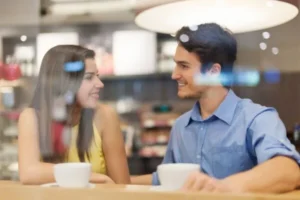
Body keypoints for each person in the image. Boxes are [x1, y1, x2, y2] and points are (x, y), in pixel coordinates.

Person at [131, 23, 300, 193]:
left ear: (213, 71)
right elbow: (164, 179)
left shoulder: (257, 119)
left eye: (184, 66)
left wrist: (222, 188)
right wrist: (121, 181)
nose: (174, 74)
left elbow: (288, 170)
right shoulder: (180, 126)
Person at [18, 45, 130, 185]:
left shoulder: (105, 116)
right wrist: (97, 177)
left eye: (97, 76)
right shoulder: (31, 117)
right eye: (89, 77)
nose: (99, 84)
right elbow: (29, 172)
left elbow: (123, 185)